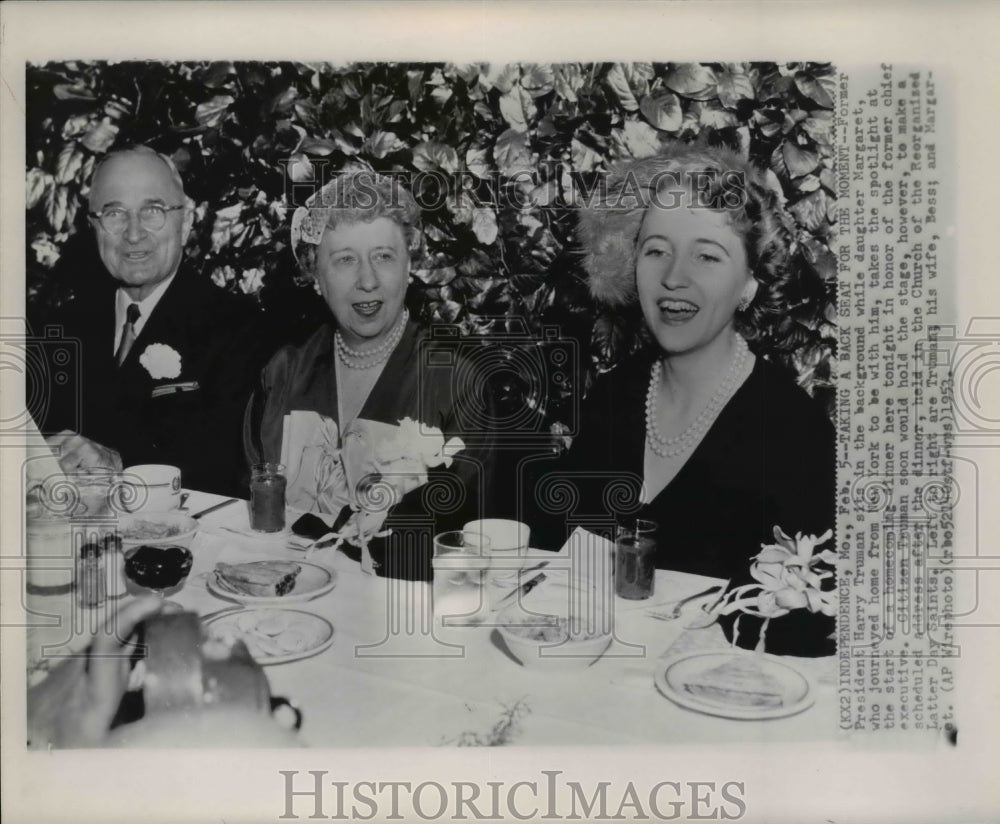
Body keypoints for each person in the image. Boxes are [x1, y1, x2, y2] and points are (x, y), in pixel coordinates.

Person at [534, 143, 836, 655]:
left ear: (749, 284)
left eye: (706, 255)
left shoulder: (796, 436)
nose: (674, 276)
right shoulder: (616, 396)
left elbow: (814, 637)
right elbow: (551, 559)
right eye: (656, 250)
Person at [244, 168, 495, 581]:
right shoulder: (284, 373)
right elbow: (255, 506)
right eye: (344, 260)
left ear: (409, 265)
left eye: (384, 256)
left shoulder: (454, 384)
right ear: (315, 277)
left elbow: (471, 544)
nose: (367, 280)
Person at [36, 145, 266, 496]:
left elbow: (229, 467)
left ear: (186, 220)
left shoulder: (239, 329)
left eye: (152, 211)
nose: (133, 233)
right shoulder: (60, 328)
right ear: (93, 226)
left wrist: (118, 464)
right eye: (114, 214)